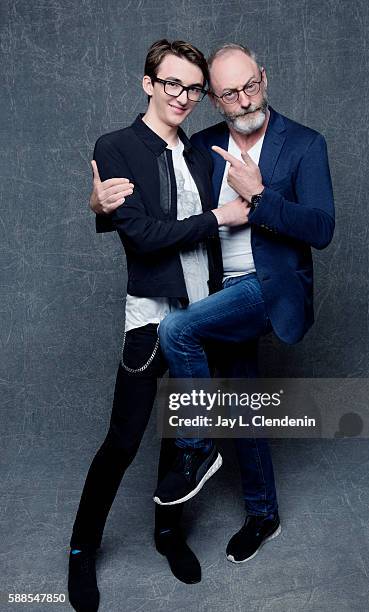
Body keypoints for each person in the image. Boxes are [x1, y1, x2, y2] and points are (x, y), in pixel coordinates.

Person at [91, 43, 335, 566]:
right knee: (244, 404)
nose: (245, 99)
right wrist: (100, 206)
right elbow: (155, 214)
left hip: (269, 288)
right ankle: (263, 514)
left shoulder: (305, 144)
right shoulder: (200, 146)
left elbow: (322, 228)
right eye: (229, 94)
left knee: (177, 329)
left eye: (251, 85)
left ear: (263, 77)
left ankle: (197, 447)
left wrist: (262, 197)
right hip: (219, 292)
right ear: (215, 102)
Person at [68, 39, 248, 612]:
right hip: (151, 318)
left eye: (193, 89)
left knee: (181, 437)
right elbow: (142, 235)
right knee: (124, 440)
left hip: (201, 316)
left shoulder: (199, 152)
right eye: (172, 83)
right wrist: (212, 217)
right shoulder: (116, 148)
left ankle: (168, 534)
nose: (183, 97)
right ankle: (80, 551)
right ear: (148, 83)